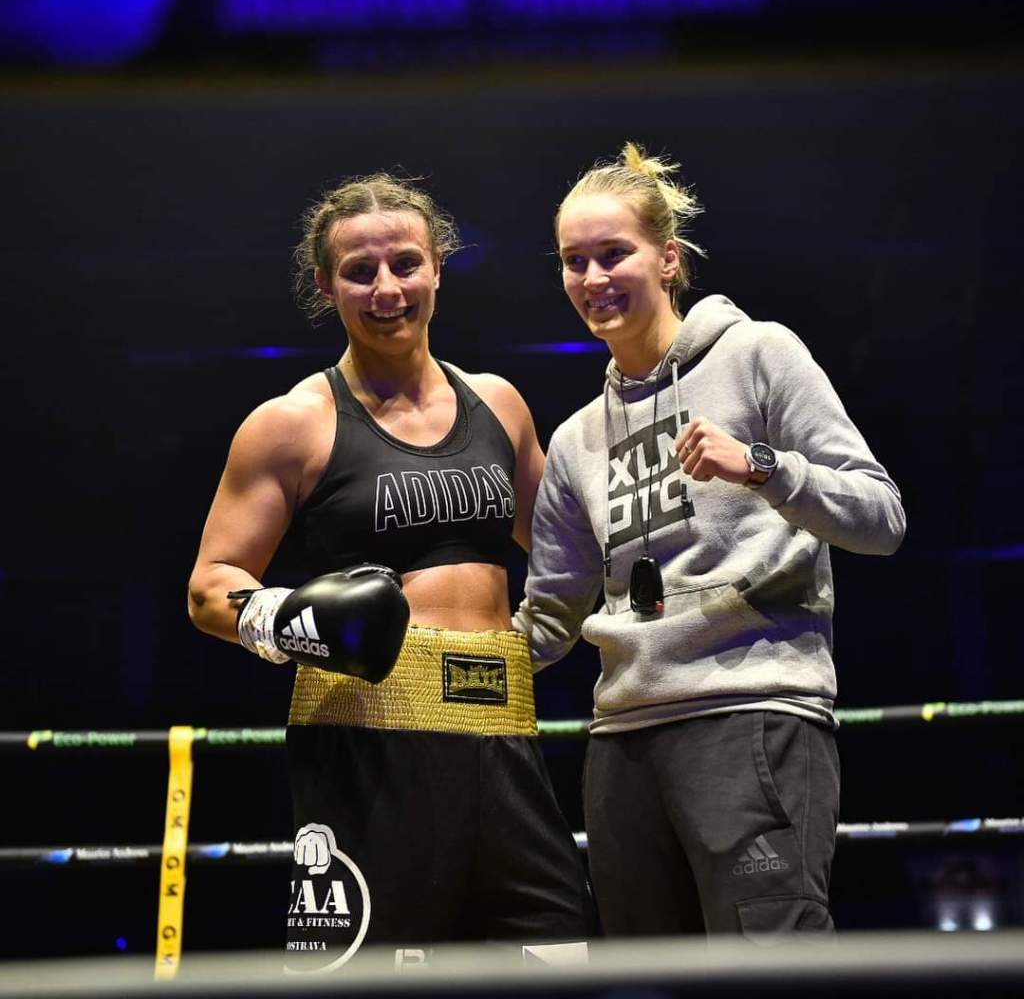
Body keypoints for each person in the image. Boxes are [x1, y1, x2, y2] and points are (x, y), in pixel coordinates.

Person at [187, 173, 593, 970]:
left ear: (437, 265)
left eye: (405, 264)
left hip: (504, 736)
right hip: (365, 744)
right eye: (359, 271)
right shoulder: (291, 425)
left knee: (556, 958)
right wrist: (297, 622)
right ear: (324, 285)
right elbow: (209, 587)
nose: (386, 289)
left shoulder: (499, 405)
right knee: (370, 979)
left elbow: (568, 549)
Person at [513, 143, 906, 941]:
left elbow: (881, 517)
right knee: (647, 978)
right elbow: (547, 622)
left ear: (668, 259)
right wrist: (418, 666)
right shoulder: (578, 439)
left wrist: (761, 465)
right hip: (622, 745)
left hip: (753, 717)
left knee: (771, 969)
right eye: (574, 261)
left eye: (613, 254)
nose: (592, 277)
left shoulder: (758, 353)